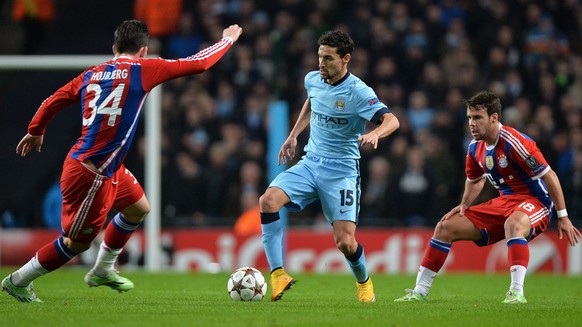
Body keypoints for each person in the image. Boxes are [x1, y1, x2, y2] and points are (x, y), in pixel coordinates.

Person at [2, 20, 243, 303]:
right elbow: (198, 64)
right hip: (91, 173)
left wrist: (36, 130)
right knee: (75, 243)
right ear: (144, 50)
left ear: (114, 47)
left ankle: (103, 269)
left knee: (138, 209)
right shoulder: (144, 69)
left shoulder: (92, 73)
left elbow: (55, 98)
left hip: (107, 165)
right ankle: (17, 281)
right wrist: (226, 40)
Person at [394, 91, 581, 304]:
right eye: (469, 118)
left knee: (514, 224)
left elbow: (550, 176)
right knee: (444, 227)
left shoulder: (515, 143)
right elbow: (475, 180)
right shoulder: (475, 147)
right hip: (504, 202)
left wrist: (563, 215)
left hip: (535, 201)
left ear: (494, 118)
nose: (472, 124)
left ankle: (516, 293)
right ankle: (419, 292)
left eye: (478, 118)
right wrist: (464, 204)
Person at [259, 30, 400, 303]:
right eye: (319, 57)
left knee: (345, 242)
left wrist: (375, 133)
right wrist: (293, 135)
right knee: (268, 200)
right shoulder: (313, 79)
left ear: (345, 59)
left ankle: (364, 283)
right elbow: (312, 102)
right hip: (311, 162)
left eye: (328, 58)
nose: (321, 63)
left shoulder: (359, 92)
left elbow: (392, 120)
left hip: (342, 172)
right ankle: (278, 274)